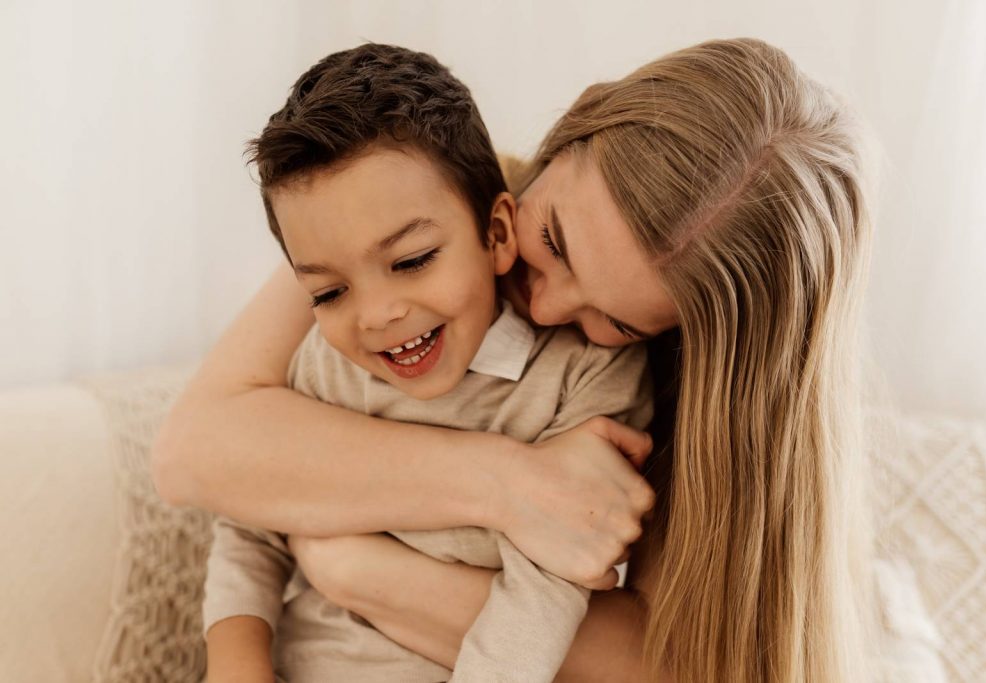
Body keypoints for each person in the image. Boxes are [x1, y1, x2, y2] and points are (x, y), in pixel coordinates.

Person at [155, 37, 875, 682]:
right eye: (555, 239)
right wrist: (511, 483)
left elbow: (673, 665)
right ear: (571, 133)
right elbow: (195, 458)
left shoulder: (603, 385)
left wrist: (360, 570)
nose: (550, 306)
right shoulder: (398, 220)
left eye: (616, 318)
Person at [200, 43, 653, 683]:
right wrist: (235, 664)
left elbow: (547, 588)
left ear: (497, 235)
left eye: (412, 261)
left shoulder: (585, 378)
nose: (377, 315)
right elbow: (250, 520)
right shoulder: (327, 368)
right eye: (328, 292)